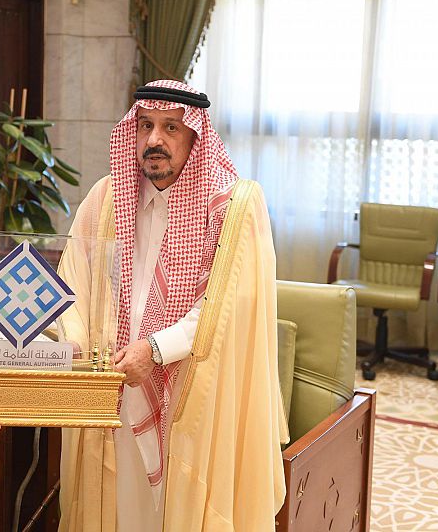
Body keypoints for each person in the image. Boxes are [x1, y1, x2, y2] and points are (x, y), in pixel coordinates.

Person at [58, 80, 288, 531]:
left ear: (195, 136)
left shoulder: (233, 207)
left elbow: (224, 307)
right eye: (145, 125)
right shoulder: (106, 199)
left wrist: (156, 350)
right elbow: (73, 280)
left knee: (171, 510)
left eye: (170, 127)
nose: (154, 140)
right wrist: (80, 349)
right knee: (118, 506)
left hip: (187, 388)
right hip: (111, 386)